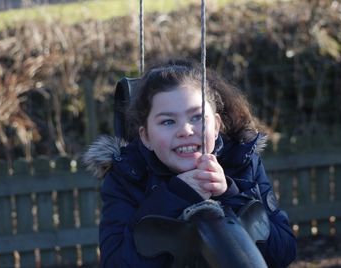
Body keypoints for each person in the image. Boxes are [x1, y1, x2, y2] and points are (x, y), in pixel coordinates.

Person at [84, 59, 297, 267]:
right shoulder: (127, 176)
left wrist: (231, 196)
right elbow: (116, 262)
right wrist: (175, 197)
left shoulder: (241, 161)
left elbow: (283, 253)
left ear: (216, 125)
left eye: (196, 117)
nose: (186, 131)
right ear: (146, 137)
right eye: (168, 121)